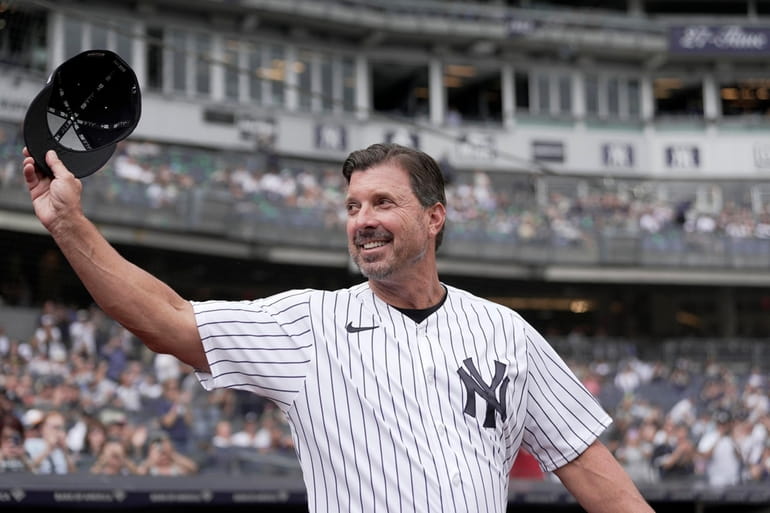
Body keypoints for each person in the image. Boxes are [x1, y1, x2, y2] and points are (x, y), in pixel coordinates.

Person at [22, 144, 654, 512]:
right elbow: (167, 323)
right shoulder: (309, 323)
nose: (363, 220)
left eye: (382, 202)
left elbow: (600, 480)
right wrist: (69, 225)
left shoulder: (506, 332)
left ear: (434, 218)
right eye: (353, 207)